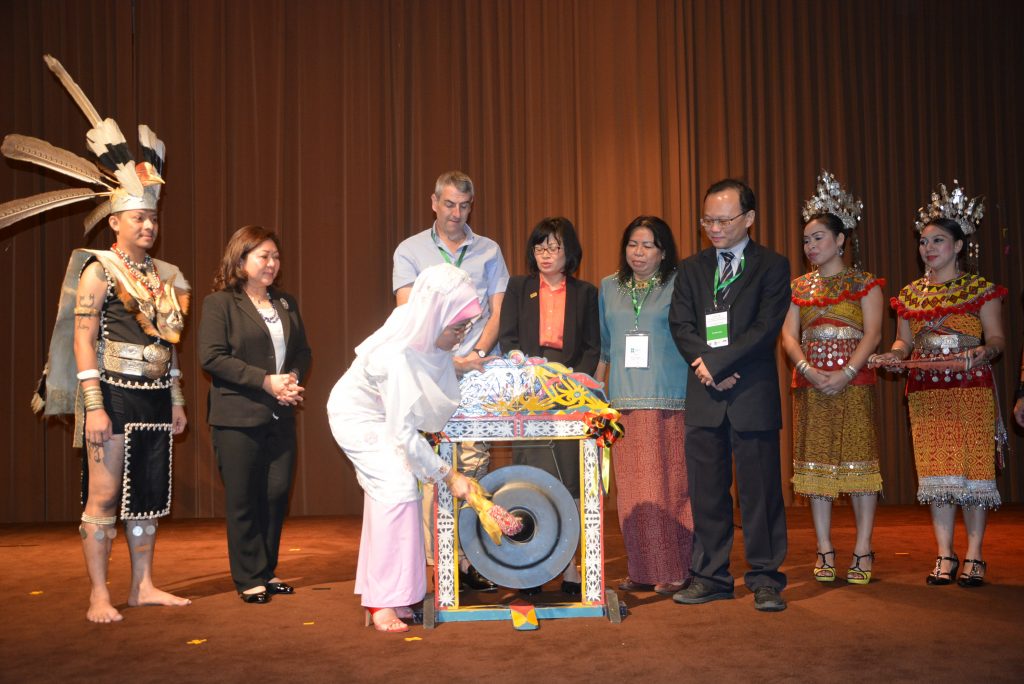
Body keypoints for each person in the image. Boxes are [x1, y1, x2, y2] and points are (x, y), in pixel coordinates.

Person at [3, 55, 192, 623]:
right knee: (105, 495)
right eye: (137, 218)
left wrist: (176, 398)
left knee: (149, 495)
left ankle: (142, 586)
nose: (148, 225)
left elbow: (167, 342)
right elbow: (82, 338)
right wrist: (94, 406)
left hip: (154, 394)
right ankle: (98, 594)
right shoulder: (97, 269)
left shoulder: (162, 275)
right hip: (111, 393)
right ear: (114, 221)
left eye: (152, 218)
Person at [327, 263, 483, 632]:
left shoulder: (418, 323)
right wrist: (450, 476)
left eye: (466, 326)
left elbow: (428, 360)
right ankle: (381, 600)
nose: (462, 334)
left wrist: (459, 366)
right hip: (358, 417)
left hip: (387, 417)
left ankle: (394, 594)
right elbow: (404, 433)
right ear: (436, 318)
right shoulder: (396, 356)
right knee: (396, 488)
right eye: (457, 327)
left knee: (396, 493)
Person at [870, 182, 1006, 588]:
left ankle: (975, 554)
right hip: (927, 394)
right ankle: (945, 554)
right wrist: (892, 357)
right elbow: (903, 343)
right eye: (924, 241)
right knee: (937, 475)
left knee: (973, 475)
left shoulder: (981, 291)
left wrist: (984, 352)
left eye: (938, 241)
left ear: (959, 246)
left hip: (971, 389)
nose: (928, 248)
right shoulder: (909, 296)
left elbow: (997, 340)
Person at [668, 178, 791, 612]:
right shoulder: (691, 268)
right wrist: (707, 368)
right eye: (708, 221)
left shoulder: (772, 266)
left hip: (751, 393)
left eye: (723, 220)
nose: (715, 229)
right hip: (705, 393)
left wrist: (719, 365)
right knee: (706, 493)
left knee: (761, 492)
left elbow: (765, 328)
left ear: (750, 218)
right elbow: (680, 324)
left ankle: (765, 578)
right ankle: (710, 576)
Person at [392, 170, 510, 591]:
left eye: (463, 206)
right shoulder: (410, 251)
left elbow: (498, 312)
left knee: (475, 464)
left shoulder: (490, 251)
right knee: (433, 467)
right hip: (430, 373)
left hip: (478, 373)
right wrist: (447, 361)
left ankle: (470, 560)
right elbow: (407, 315)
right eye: (448, 205)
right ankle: (439, 563)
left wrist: (475, 356)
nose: (456, 214)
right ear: (433, 203)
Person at [779, 172, 883, 585]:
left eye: (818, 237)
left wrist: (846, 372)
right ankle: (824, 548)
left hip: (853, 386)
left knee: (860, 469)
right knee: (815, 470)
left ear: (840, 239)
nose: (810, 246)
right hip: (811, 386)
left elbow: (873, 334)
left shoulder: (865, 284)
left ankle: (863, 549)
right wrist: (807, 369)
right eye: (806, 240)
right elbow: (789, 336)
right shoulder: (798, 288)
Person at [198, 226, 311, 604]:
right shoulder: (220, 304)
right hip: (236, 416)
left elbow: (303, 352)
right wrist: (265, 381)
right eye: (263, 256)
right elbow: (212, 357)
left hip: (280, 413)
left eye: (276, 256)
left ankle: (266, 569)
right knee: (244, 497)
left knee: (276, 494)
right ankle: (248, 576)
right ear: (241, 259)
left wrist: (291, 379)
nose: (272, 263)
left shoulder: (286, 303)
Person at [498, 216, 600, 596]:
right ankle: (533, 567)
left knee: (569, 480)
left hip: (569, 395)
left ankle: (571, 567)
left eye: (554, 247)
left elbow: (591, 347)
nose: (545, 254)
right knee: (530, 480)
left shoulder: (586, 293)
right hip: (528, 394)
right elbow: (508, 340)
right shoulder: (519, 287)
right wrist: (528, 375)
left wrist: (571, 384)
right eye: (540, 247)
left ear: (568, 252)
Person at [595, 216, 692, 597]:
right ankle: (641, 570)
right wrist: (595, 396)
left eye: (648, 245)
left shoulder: (679, 283)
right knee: (633, 492)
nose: (638, 252)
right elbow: (605, 348)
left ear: (663, 251)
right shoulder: (609, 287)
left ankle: (676, 569)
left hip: (669, 398)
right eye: (633, 244)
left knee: (669, 487)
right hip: (623, 402)